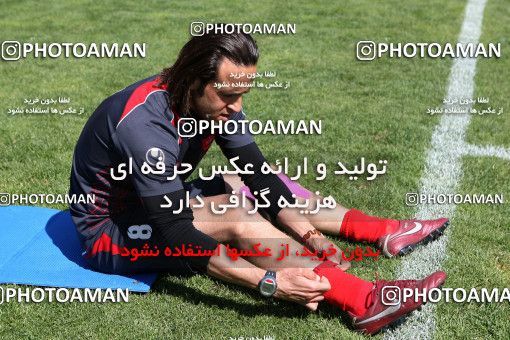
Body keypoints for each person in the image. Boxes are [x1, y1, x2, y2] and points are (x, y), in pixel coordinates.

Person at [69, 32, 449, 335]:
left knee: (262, 181)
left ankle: (384, 231)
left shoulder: (211, 101)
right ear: (193, 81)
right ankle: (364, 299)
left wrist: (308, 233)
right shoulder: (144, 125)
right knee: (235, 213)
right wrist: (270, 282)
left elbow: (257, 173)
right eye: (228, 95)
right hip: (111, 231)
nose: (236, 107)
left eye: (242, 95)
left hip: (158, 198)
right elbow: (174, 230)